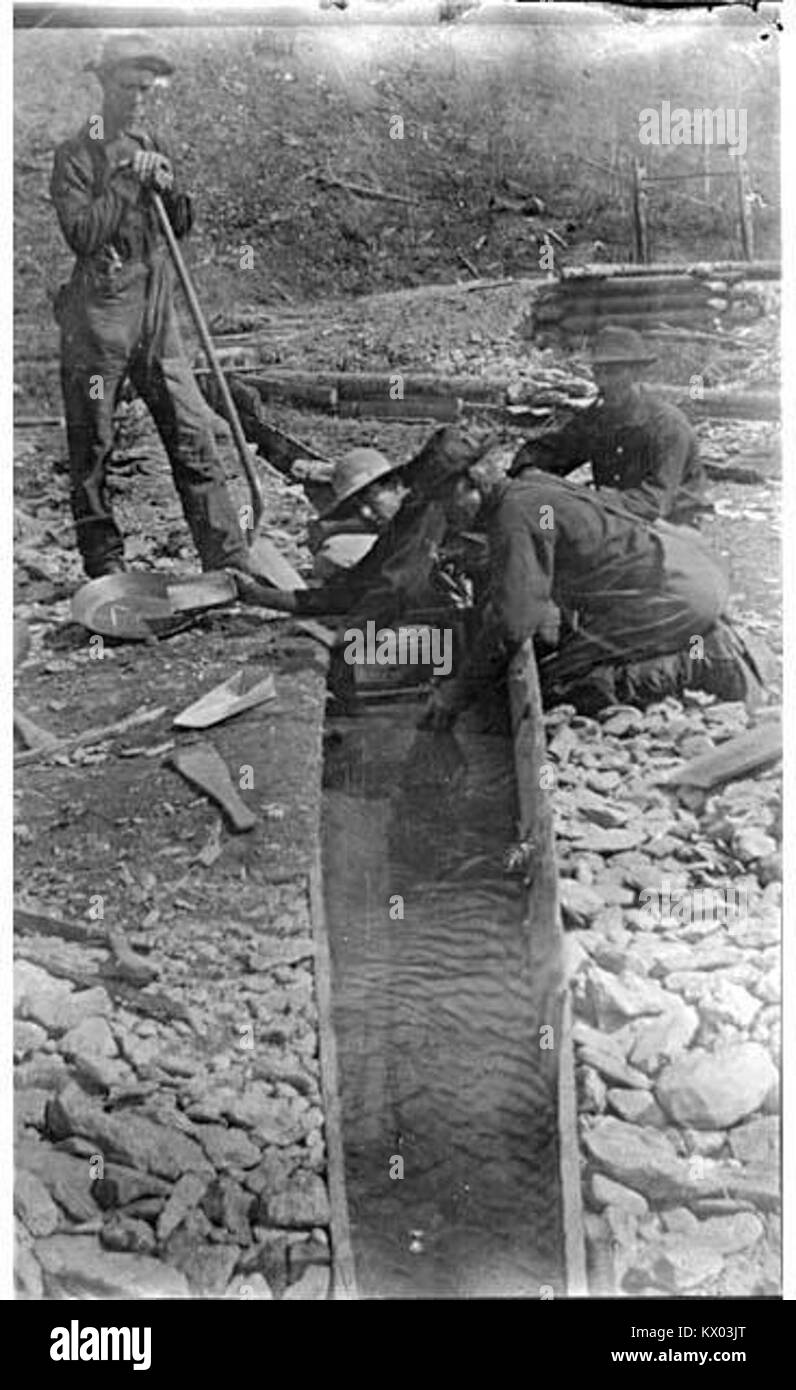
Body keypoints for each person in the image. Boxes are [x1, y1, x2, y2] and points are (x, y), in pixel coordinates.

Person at [50, 33, 250, 579]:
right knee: (93, 445)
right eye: (128, 86)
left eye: (146, 88)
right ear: (104, 84)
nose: (138, 97)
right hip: (98, 319)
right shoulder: (78, 150)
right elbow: (82, 234)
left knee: (192, 430)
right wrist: (124, 181)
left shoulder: (150, 138)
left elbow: (179, 226)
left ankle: (229, 557)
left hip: (155, 312)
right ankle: (105, 566)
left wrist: (170, 188)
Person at [418, 462, 765, 730]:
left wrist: (456, 692)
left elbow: (514, 622)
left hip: (676, 593)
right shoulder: (530, 486)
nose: (449, 517)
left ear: (471, 485)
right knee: (568, 657)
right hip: (687, 568)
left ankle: (701, 660)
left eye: (448, 503)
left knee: (561, 686)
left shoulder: (514, 515)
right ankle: (697, 637)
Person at [512, 325, 709, 526]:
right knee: (537, 521)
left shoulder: (667, 426)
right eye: (599, 373)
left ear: (637, 374)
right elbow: (551, 451)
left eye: (613, 373)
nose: (603, 382)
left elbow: (654, 502)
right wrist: (529, 470)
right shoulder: (599, 417)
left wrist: (584, 498)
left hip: (669, 528)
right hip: (613, 519)